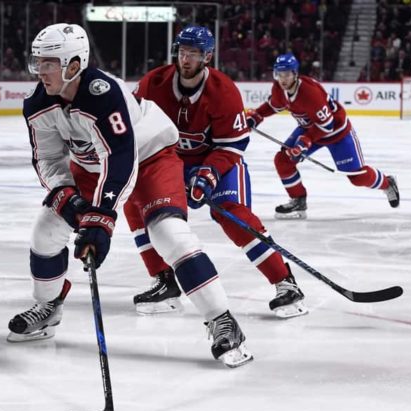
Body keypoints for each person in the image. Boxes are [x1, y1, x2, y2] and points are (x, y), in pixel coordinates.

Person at [6, 23, 252, 368]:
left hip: (150, 156)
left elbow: (121, 156)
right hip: (93, 166)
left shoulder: (104, 93)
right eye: (38, 62)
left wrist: (100, 219)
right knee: (46, 229)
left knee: (168, 234)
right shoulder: (37, 104)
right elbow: (47, 158)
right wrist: (64, 193)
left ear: (73, 64)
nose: (39, 71)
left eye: (49, 62)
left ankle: (222, 320)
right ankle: (48, 307)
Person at [130, 26, 306, 319]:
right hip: (170, 161)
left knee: (230, 213)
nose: (185, 59)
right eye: (182, 52)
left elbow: (232, 145)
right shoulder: (154, 83)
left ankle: (285, 282)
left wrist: (208, 173)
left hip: (218, 160)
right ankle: (164, 282)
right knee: (136, 204)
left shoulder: (223, 91)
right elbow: (133, 123)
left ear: (207, 56)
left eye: (194, 53)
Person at [247, 53, 400, 219]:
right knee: (283, 160)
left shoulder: (310, 93)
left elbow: (327, 125)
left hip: (337, 132)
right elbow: (274, 105)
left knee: (356, 177)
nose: (283, 79)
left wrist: (305, 141)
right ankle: (298, 199)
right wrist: (257, 116)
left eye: (287, 74)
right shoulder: (278, 88)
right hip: (310, 128)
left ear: (295, 73)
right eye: (279, 74)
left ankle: (387, 183)